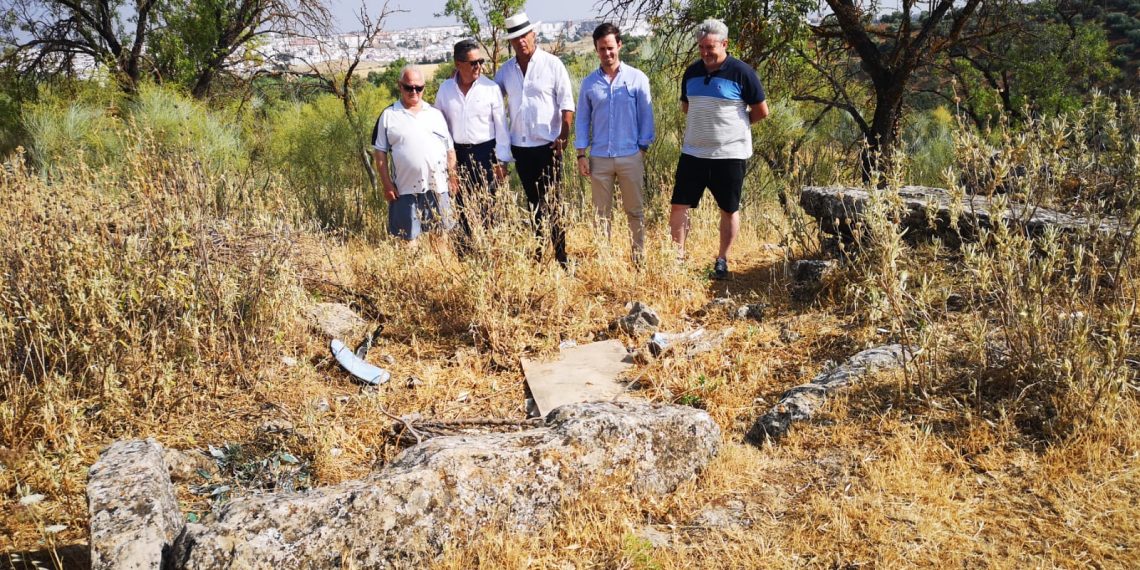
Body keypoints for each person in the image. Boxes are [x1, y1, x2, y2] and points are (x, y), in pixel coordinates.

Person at [671, 18, 769, 279]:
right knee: (679, 206)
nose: (705, 52)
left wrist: (735, 127)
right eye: (701, 47)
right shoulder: (691, 72)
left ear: (725, 44)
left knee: (728, 209)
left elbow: (761, 111)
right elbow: (686, 106)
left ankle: (722, 259)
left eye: (710, 47)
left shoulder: (742, 72)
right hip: (693, 152)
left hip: (730, 154)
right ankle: (677, 259)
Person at [494, 11, 575, 266]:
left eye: (524, 35)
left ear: (533, 35)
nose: (521, 41)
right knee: (533, 203)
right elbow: (491, 97)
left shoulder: (553, 64)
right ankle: (540, 255)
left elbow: (567, 104)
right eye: (515, 38)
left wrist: (564, 135)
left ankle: (561, 256)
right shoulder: (506, 71)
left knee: (553, 203)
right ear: (511, 42)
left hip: (547, 146)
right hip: (521, 147)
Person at [574, 22, 655, 263]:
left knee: (635, 211)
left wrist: (642, 148)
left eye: (610, 47)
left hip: (630, 155)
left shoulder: (637, 78)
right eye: (602, 49)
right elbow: (582, 120)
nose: (607, 53)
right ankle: (605, 262)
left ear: (619, 45)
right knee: (601, 214)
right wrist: (581, 154)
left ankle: (638, 259)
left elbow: (646, 117)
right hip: (599, 158)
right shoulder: (589, 84)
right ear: (596, 50)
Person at [435, 39, 512, 253]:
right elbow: (440, 127)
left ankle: (492, 252)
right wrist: (448, 165)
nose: (479, 66)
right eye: (473, 63)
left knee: (489, 208)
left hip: (486, 153)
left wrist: (501, 161)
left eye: (481, 61)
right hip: (458, 155)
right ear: (458, 64)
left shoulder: (491, 88)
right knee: (461, 207)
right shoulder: (445, 89)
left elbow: (502, 129)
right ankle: (466, 255)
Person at [371, 66, 459, 242]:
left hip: (438, 189)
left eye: (419, 88)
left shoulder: (436, 114)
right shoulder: (389, 115)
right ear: (400, 86)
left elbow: (450, 150)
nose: (414, 92)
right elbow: (379, 153)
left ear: (424, 87)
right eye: (409, 87)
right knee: (408, 241)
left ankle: (438, 270)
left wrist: (453, 178)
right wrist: (387, 185)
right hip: (404, 190)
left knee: (441, 239)